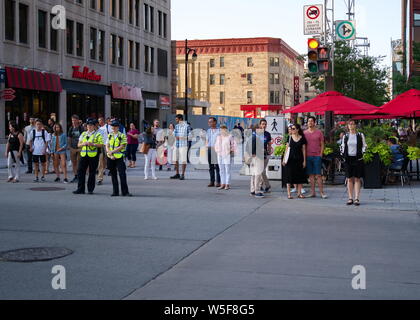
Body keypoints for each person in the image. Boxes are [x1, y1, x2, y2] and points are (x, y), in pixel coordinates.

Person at [340, 119, 367, 206]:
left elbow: (364, 145)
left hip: (358, 159)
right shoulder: (346, 136)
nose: (351, 126)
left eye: (353, 124)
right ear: (347, 126)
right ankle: (350, 198)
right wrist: (343, 156)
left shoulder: (360, 135)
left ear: (355, 125)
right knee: (349, 178)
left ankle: (356, 198)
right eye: (349, 124)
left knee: (357, 178)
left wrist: (362, 153)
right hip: (348, 159)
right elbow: (342, 146)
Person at [73, 119, 103, 195]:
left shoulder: (98, 134)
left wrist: (93, 144)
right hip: (83, 155)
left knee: (92, 173)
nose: (89, 127)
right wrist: (83, 144)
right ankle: (80, 189)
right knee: (80, 171)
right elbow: (78, 145)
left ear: (94, 126)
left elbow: (101, 144)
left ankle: (90, 189)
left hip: (93, 155)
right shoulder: (83, 134)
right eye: (88, 125)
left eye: (91, 125)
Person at [304, 116, 327, 199]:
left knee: (318, 175)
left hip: (317, 156)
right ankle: (312, 192)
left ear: (314, 122)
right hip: (308, 156)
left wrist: (321, 154)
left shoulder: (319, 132)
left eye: (311, 121)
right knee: (311, 176)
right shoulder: (304, 133)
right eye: (308, 121)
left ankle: (322, 192)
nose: (310, 122)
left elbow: (322, 143)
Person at [106, 120, 131, 196]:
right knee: (113, 174)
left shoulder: (122, 135)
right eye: (112, 126)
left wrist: (112, 152)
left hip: (119, 157)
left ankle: (125, 192)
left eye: (115, 126)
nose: (113, 128)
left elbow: (122, 146)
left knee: (122, 174)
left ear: (118, 127)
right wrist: (110, 154)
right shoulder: (109, 135)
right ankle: (115, 192)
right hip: (111, 157)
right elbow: (107, 145)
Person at [282, 124, 307, 199]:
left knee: (299, 176)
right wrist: (284, 159)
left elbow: (304, 150)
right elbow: (286, 149)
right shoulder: (289, 137)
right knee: (289, 176)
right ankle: (289, 194)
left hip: (299, 159)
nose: (292, 130)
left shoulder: (302, 138)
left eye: (293, 128)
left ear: (298, 129)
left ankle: (299, 193)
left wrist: (304, 161)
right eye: (291, 129)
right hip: (290, 160)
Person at [245, 124, 266, 198]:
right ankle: (257, 191)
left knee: (254, 175)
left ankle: (253, 190)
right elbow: (252, 148)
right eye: (260, 128)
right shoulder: (255, 137)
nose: (262, 129)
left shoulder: (252, 137)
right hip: (257, 158)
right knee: (257, 174)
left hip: (254, 157)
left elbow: (247, 148)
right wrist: (254, 154)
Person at [215, 125, 237, 190]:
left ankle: (227, 184)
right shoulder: (218, 137)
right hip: (219, 154)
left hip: (227, 154)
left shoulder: (230, 136)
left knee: (227, 170)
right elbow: (216, 144)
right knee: (221, 170)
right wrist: (217, 151)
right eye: (221, 130)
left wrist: (231, 151)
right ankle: (222, 184)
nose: (222, 131)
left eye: (223, 129)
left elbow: (234, 145)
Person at [171, 114, 191, 180]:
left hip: (184, 145)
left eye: (176, 119)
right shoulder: (176, 126)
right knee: (175, 160)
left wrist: (181, 137)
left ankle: (183, 174)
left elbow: (190, 136)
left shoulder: (187, 126)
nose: (176, 120)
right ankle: (177, 174)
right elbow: (174, 134)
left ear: (180, 119)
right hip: (176, 145)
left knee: (183, 160)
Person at [68, 115, 85, 183]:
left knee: (79, 163)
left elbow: (84, 139)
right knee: (73, 163)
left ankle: (79, 176)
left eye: (75, 120)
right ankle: (75, 176)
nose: (73, 122)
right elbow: (69, 138)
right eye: (72, 120)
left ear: (78, 120)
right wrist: (70, 147)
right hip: (73, 148)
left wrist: (80, 148)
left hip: (80, 148)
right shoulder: (71, 128)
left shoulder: (81, 128)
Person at [206, 117, 221, 187]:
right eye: (209, 122)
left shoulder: (219, 131)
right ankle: (212, 181)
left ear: (215, 122)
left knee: (217, 166)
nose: (210, 123)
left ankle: (218, 181)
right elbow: (207, 140)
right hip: (209, 149)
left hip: (216, 150)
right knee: (210, 166)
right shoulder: (208, 131)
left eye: (211, 121)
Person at [259, 119, 272, 193]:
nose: (264, 125)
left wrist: (269, 154)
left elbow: (269, 145)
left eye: (265, 124)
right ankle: (267, 185)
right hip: (258, 155)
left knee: (262, 171)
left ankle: (261, 185)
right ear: (260, 125)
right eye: (262, 124)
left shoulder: (267, 134)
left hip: (265, 155)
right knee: (261, 171)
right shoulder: (257, 133)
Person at [96, 117, 109, 185]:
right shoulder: (98, 129)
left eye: (100, 120)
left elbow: (110, 135)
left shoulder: (107, 127)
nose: (99, 122)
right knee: (100, 162)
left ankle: (107, 170)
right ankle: (100, 176)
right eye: (98, 121)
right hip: (97, 147)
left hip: (105, 144)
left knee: (106, 158)